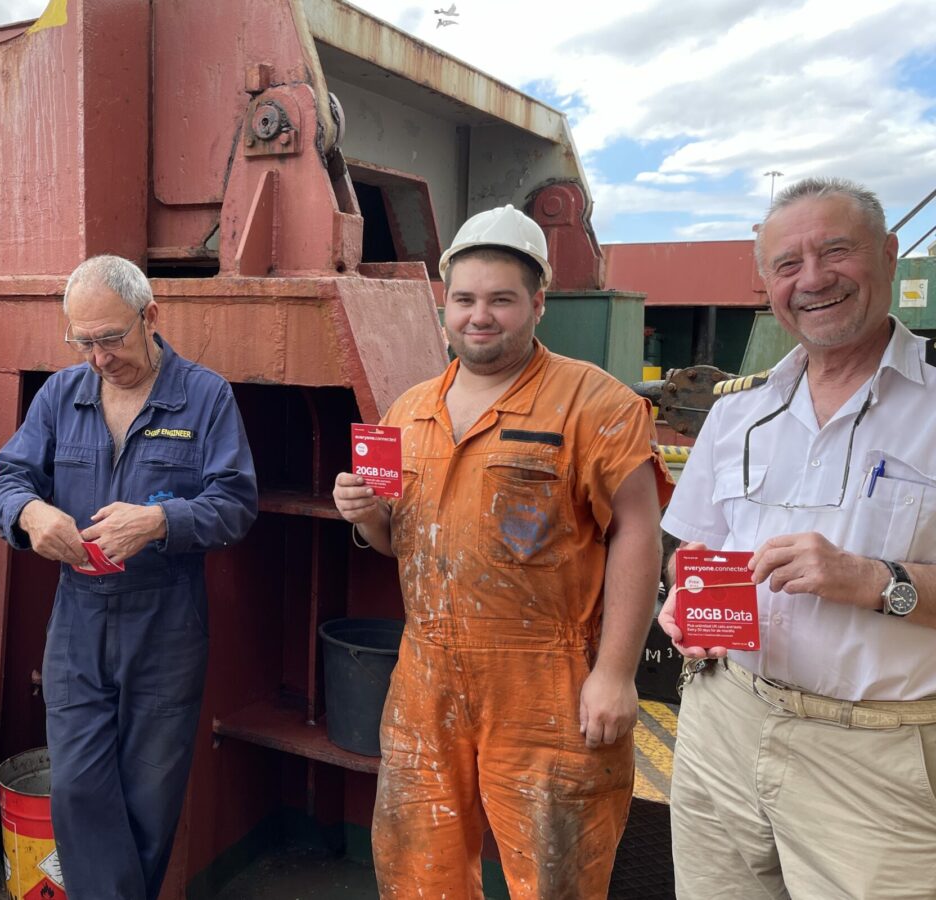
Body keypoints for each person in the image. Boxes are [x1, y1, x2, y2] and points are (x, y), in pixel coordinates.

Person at [333, 205, 670, 899]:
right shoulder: (409, 410)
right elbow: (399, 539)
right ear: (445, 306)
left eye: (501, 300)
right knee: (415, 870)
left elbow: (639, 530)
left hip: (549, 684)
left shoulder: (594, 403)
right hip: (425, 677)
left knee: (556, 877)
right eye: (464, 299)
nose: (479, 316)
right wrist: (366, 518)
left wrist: (615, 673)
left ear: (538, 304)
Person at [658, 177, 936, 897]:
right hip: (725, 717)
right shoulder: (737, 413)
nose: (812, 279)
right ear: (768, 282)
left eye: (835, 252)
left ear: (890, 254)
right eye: (787, 265)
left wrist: (876, 581)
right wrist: (683, 608)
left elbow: (876, 581)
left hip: (878, 749)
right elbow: (698, 553)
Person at [0, 255, 257, 900]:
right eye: (83, 341)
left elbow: (236, 503)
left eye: (110, 338)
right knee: (78, 786)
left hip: (166, 623)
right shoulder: (60, 394)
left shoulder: (205, 396)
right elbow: (6, 479)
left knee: (150, 798)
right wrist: (31, 513)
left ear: (150, 317)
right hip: (78, 618)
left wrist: (161, 521)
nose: (99, 357)